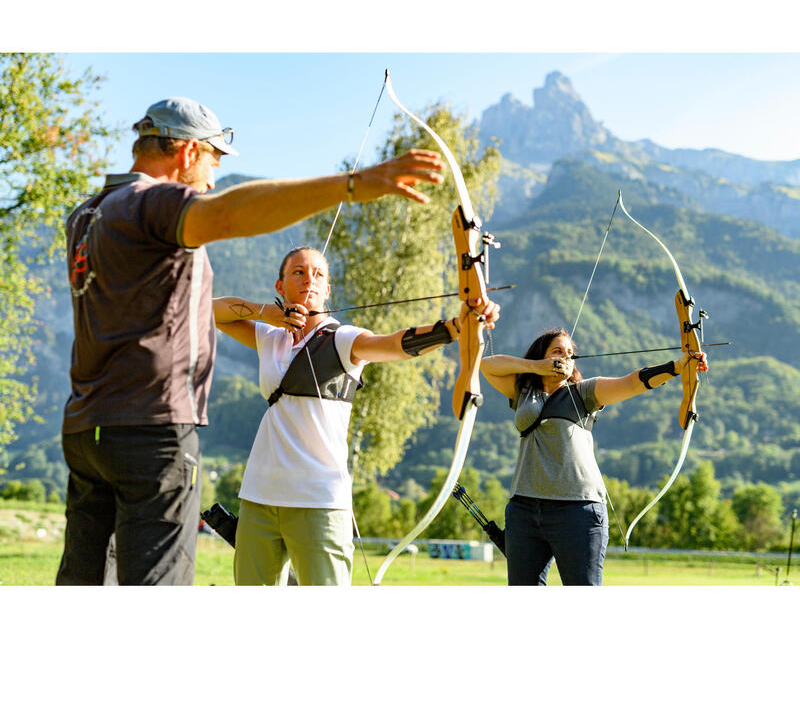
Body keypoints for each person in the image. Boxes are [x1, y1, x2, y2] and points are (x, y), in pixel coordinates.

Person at [56, 96, 446, 586]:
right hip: (149, 432)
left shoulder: (86, 215)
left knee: (86, 581)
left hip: (87, 429)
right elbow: (225, 215)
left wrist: (451, 329)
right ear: (186, 152)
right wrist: (353, 184)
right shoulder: (150, 202)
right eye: (213, 161)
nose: (212, 181)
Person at [213, 246, 500, 585]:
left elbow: (393, 344)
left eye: (319, 274)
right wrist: (267, 314)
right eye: (299, 272)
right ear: (280, 286)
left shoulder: (342, 339)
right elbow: (209, 310)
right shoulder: (269, 337)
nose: (309, 280)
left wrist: (455, 327)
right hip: (259, 496)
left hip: (318, 500)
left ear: (328, 289)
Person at [480, 328, 708, 586]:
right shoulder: (524, 392)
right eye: (557, 351)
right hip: (524, 509)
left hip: (576, 511)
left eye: (570, 354)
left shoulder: (584, 392)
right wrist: (537, 367)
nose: (565, 357)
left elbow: (632, 381)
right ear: (542, 356)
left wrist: (677, 367)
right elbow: (487, 365)